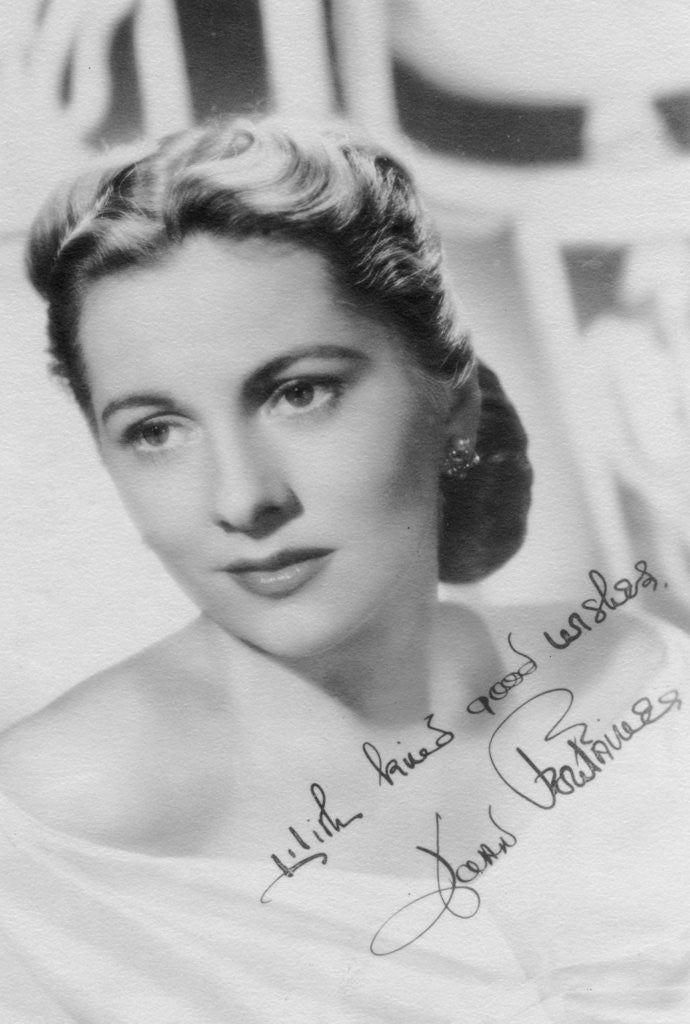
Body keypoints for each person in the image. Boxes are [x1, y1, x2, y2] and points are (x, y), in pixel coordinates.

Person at [0, 116, 687, 1023]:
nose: (243, 499)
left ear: (451, 406)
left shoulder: (651, 690)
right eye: (156, 432)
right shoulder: (50, 838)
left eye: (299, 392)